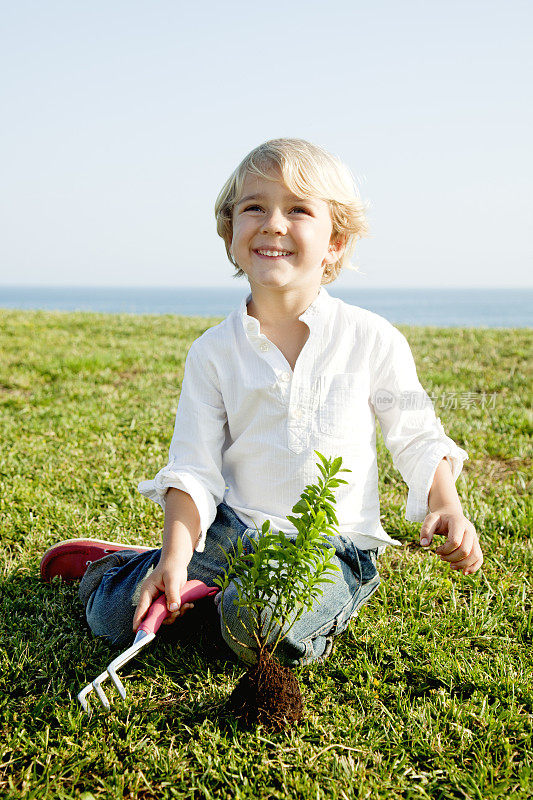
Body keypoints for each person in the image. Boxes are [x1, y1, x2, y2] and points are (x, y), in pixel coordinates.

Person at [41, 138, 483, 666]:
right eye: (254, 207)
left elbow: (415, 434)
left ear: (335, 242)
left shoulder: (371, 338)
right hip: (232, 528)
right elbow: (194, 470)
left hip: (328, 546)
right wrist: (179, 556)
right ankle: (135, 567)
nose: (274, 223)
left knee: (261, 628)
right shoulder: (212, 352)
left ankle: (222, 598)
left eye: (298, 209)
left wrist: (444, 503)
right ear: (230, 233)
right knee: (113, 618)